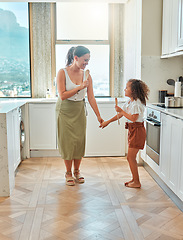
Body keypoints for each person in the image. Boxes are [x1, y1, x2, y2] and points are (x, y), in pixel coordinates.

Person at [56, 46, 103, 186]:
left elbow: (91, 98)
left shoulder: (87, 75)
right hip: (64, 110)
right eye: (85, 60)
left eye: (88, 60)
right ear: (75, 58)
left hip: (79, 110)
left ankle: (77, 171)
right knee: (67, 141)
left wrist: (98, 116)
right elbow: (62, 95)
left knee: (78, 141)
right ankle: (68, 172)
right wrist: (80, 87)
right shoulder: (62, 72)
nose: (86, 63)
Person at [100, 79, 149, 188]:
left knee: (130, 158)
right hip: (133, 130)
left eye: (127, 87)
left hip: (137, 131)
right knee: (131, 158)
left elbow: (133, 118)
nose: (124, 89)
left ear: (133, 90)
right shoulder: (130, 102)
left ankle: (137, 182)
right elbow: (121, 115)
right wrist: (107, 122)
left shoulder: (136, 103)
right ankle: (134, 179)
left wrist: (121, 111)